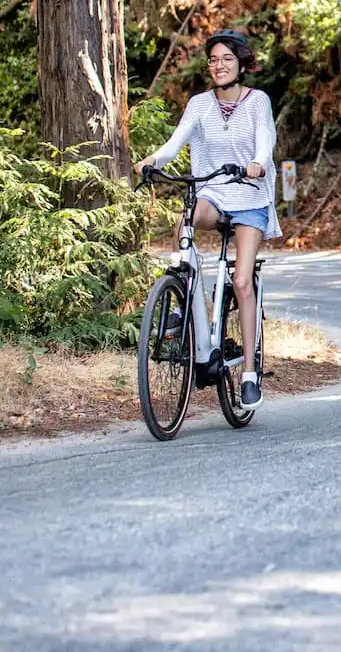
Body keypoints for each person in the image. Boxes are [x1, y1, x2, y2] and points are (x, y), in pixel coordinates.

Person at [135, 29, 279, 410]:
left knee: (242, 281)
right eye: (213, 60)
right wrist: (153, 161)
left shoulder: (257, 101)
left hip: (249, 195)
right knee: (188, 217)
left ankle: (249, 372)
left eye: (227, 59)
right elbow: (175, 143)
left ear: (241, 64)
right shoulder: (199, 104)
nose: (219, 65)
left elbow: (266, 142)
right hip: (214, 192)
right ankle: (182, 298)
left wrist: (258, 165)